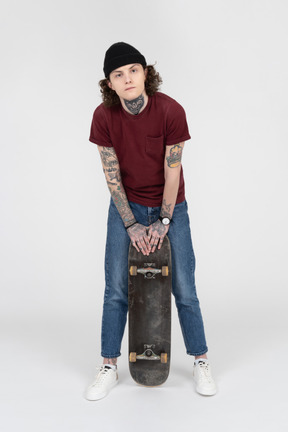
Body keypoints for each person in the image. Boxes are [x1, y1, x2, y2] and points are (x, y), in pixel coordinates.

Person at [84, 42, 217, 401]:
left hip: (172, 207)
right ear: (109, 83)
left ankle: (201, 361)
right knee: (115, 290)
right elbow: (112, 177)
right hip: (124, 207)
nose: (127, 78)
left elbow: (172, 173)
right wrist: (131, 224)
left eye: (133, 70)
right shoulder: (103, 116)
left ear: (146, 73)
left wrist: (163, 220)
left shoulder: (171, 110)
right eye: (118, 74)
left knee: (185, 289)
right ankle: (109, 365)